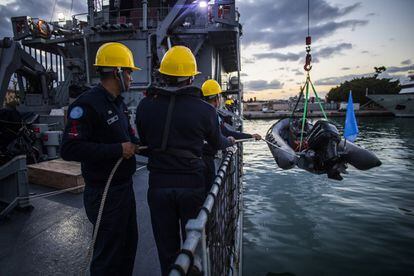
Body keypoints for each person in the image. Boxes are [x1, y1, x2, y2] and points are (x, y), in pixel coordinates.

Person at [135, 45, 232, 275]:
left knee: (167, 250)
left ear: (164, 75)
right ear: (191, 77)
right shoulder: (204, 110)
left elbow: (145, 139)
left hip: (158, 185)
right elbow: (218, 142)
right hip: (191, 184)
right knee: (194, 244)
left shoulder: (145, 105)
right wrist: (229, 142)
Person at [61, 42, 140, 275]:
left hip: (124, 189)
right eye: (129, 72)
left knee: (127, 248)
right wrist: (117, 150)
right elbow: (69, 149)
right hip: (104, 194)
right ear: (117, 72)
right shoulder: (87, 104)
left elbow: (128, 138)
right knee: (108, 258)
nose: (132, 78)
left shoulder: (118, 104)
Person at [201, 79, 262, 193]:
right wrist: (230, 141)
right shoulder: (212, 115)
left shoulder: (200, 113)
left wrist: (250, 136)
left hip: (193, 161)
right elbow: (225, 136)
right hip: (206, 160)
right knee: (208, 195)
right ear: (216, 99)